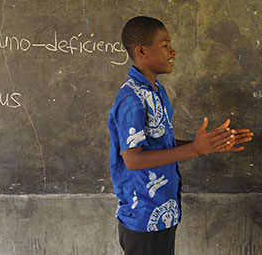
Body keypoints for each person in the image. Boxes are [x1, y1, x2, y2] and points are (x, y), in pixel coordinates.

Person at [108, 16, 253, 255]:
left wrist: (210, 144)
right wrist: (195, 149)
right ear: (142, 51)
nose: (173, 51)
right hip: (144, 216)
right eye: (165, 45)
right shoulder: (131, 99)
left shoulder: (156, 91)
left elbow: (158, 145)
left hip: (163, 209)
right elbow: (133, 159)